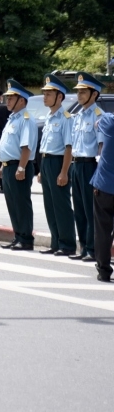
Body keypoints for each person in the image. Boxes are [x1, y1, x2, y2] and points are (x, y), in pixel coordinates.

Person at [0, 79, 38, 251]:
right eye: (7, 98)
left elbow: (26, 147)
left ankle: (26, 238)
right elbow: (9, 145)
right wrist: (2, 165)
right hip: (9, 166)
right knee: (12, 203)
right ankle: (18, 235)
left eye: (11, 98)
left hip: (19, 166)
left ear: (21, 100)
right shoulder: (13, 118)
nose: (7, 101)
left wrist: (21, 167)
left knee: (21, 203)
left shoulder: (26, 119)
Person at [37, 74, 76, 256]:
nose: (45, 97)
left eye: (48, 94)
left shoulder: (66, 118)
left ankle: (67, 243)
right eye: (44, 93)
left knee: (61, 204)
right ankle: (55, 241)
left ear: (59, 97)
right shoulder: (49, 116)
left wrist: (64, 172)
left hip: (58, 162)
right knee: (50, 204)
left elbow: (69, 147)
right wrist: (41, 170)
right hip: (46, 161)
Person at [69, 72, 103, 263]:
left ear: (94, 94)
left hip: (91, 165)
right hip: (76, 164)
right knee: (79, 209)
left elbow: (101, 147)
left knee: (91, 210)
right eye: (78, 92)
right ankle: (83, 247)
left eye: (83, 92)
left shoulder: (99, 116)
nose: (79, 95)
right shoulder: (78, 116)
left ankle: (92, 248)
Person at [90, 107, 114, 282]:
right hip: (105, 183)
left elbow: (97, 123)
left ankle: (103, 270)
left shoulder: (108, 121)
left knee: (102, 230)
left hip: (104, 185)